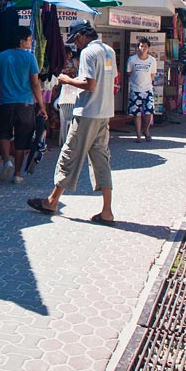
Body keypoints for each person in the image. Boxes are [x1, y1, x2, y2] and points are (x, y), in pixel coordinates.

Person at [26, 20, 118, 224]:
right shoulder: (109, 51)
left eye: (75, 40)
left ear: (81, 36)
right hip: (104, 113)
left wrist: (67, 80)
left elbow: (89, 84)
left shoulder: (88, 53)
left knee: (69, 155)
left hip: (87, 113)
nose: (76, 44)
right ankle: (107, 210)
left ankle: (52, 201)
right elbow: (111, 79)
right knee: (101, 159)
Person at [0, 25, 47, 185]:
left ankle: (7, 161)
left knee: (3, 134)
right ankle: (18, 173)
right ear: (22, 41)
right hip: (25, 104)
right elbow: (35, 83)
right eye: (29, 39)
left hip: (6, 103)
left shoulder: (2, 57)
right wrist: (41, 104)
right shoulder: (30, 58)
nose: (31, 41)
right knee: (22, 138)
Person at [126, 37, 157, 142]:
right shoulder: (132, 59)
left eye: (145, 46)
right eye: (141, 46)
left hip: (148, 89)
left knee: (149, 112)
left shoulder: (152, 60)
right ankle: (138, 135)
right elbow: (128, 73)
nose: (142, 48)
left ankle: (146, 130)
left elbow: (153, 75)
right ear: (137, 47)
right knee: (136, 114)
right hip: (135, 89)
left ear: (148, 48)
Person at [55, 46, 80, 145]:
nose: (69, 55)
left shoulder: (74, 62)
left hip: (72, 88)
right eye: (67, 53)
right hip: (62, 88)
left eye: (70, 53)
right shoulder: (61, 62)